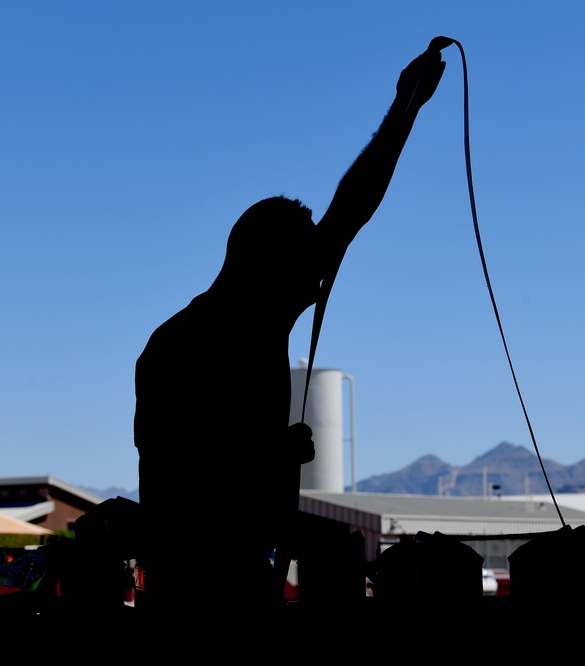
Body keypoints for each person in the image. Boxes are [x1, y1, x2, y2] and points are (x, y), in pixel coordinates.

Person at [132, 42, 445, 643]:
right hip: (196, 592)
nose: (318, 277)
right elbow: (177, 467)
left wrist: (406, 106)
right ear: (264, 264)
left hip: (241, 575)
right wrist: (270, 455)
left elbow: (348, 212)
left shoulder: (251, 317)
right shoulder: (182, 347)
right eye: (305, 265)